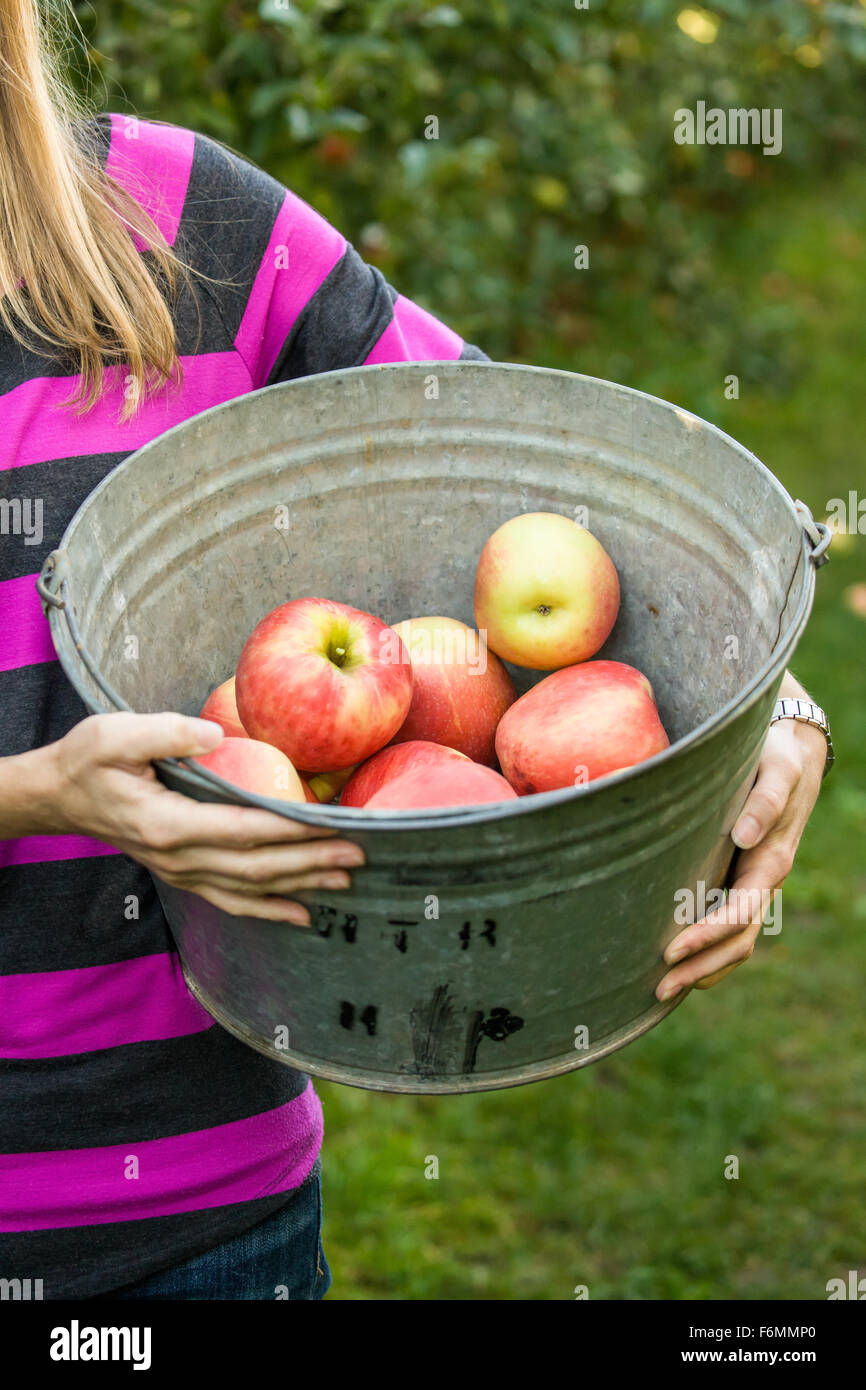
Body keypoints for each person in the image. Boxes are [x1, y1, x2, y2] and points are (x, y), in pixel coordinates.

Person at [0, 1, 831, 1301]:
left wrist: (775, 715)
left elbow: (539, 485)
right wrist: (34, 793)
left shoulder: (182, 224)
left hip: (197, 1201)